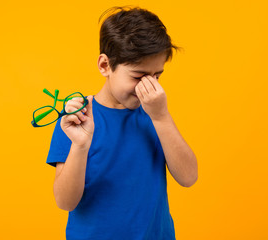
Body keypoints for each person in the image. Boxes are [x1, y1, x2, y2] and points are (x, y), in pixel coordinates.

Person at [46, 5, 198, 240]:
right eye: (138, 76)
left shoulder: (155, 113)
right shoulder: (76, 119)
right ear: (105, 66)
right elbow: (65, 202)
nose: (149, 87)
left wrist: (161, 116)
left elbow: (188, 177)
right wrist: (80, 145)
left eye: (157, 76)